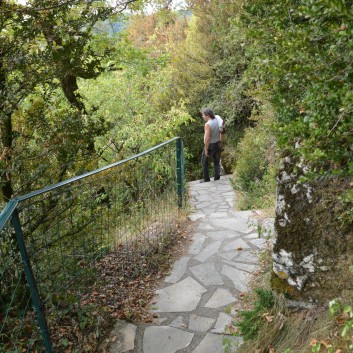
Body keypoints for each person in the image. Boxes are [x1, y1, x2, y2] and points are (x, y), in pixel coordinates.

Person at [200, 108, 223, 183]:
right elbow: (222, 131)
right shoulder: (217, 120)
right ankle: (217, 177)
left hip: (210, 146)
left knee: (204, 161)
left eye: (203, 115)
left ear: (207, 115)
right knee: (216, 161)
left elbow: (207, 138)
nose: (202, 116)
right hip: (218, 143)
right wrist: (221, 142)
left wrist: (206, 149)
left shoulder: (208, 124)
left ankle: (206, 179)